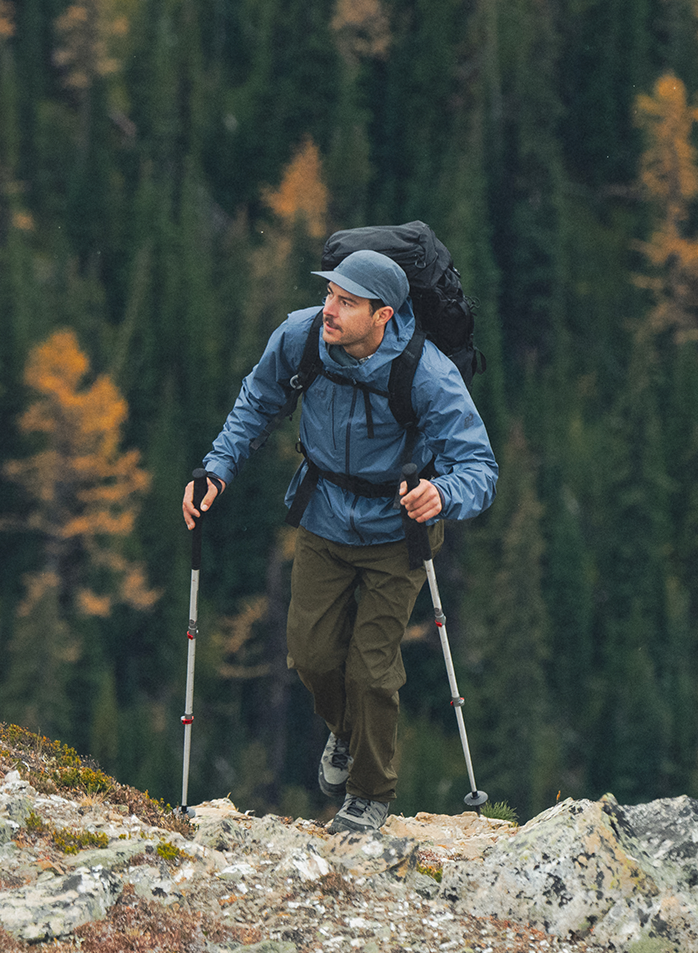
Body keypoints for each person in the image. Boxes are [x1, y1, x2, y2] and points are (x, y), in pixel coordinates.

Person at [182, 248, 497, 835]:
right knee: (311, 653)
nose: (328, 309)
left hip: (397, 529)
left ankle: (370, 794)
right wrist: (217, 468)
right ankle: (348, 736)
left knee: (372, 668)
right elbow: (258, 400)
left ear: (383, 316)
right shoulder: (302, 339)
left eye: (346, 302)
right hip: (324, 515)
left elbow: (479, 466)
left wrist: (443, 495)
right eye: (329, 295)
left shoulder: (425, 373)